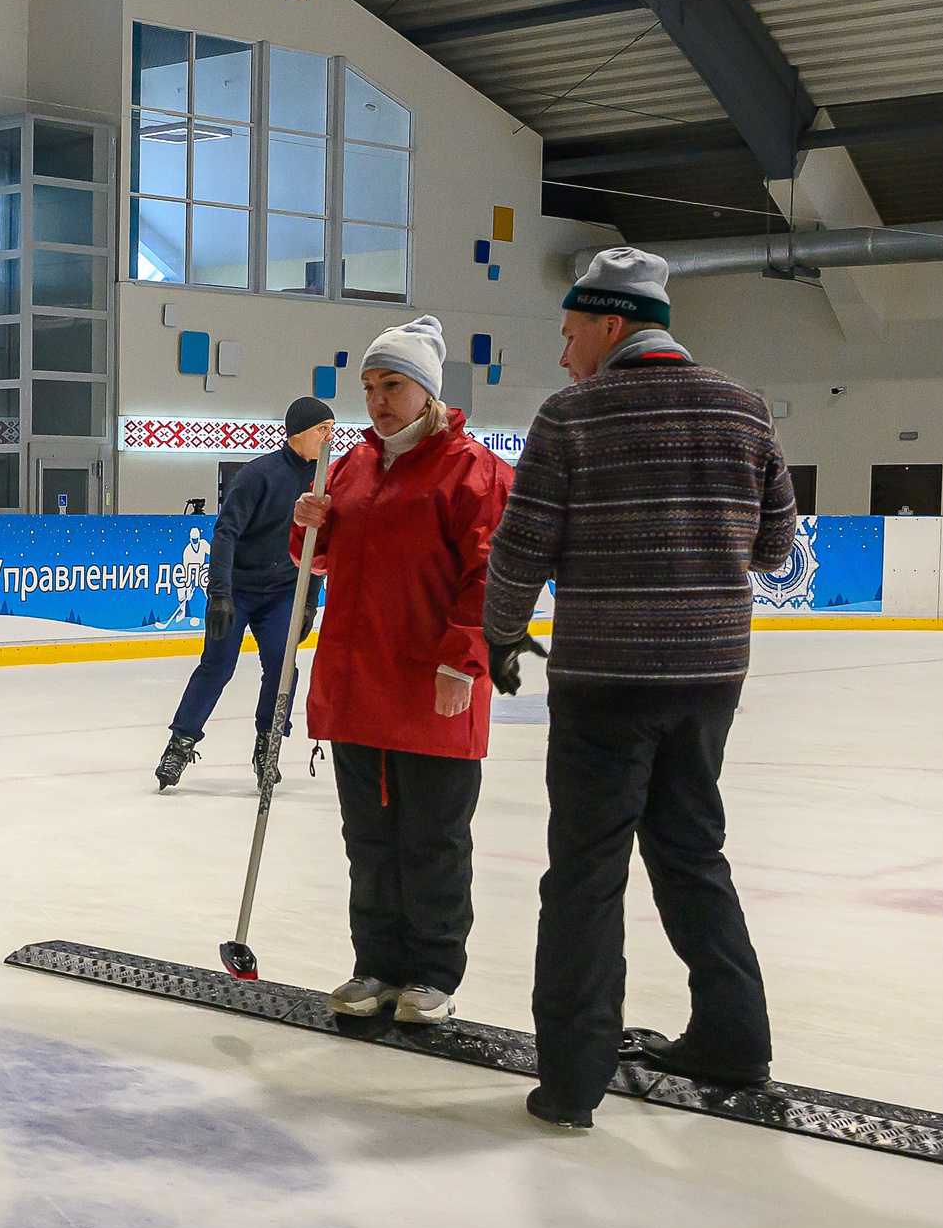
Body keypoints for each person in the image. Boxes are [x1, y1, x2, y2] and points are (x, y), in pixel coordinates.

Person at [485, 247, 796, 1132]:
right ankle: (735, 1039)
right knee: (693, 852)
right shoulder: (745, 409)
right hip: (708, 680)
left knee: (585, 874)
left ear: (610, 323)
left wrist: (502, 633)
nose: (563, 353)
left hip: (606, 683)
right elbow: (775, 550)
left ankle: (574, 1079)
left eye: (569, 331)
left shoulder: (572, 416)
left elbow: (519, 554)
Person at [289, 316, 512, 1028]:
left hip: (430, 688)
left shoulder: (474, 470)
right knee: (370, 841)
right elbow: (321, 561)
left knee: (432, 841)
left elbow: (492, 576)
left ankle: (433, 970)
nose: (377, 400)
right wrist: (308, 523)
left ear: (426, 390)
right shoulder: (352, 465)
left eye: (391, 385)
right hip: (358, 688)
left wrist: (462, 659)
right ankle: (376, 963)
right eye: (369, 387)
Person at [156, 396, 330, 793]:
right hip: (238, 589)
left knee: (283, 668)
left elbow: (317, 545)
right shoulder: (258, 475)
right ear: (299, 433)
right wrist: (220, 594)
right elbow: (225, 533)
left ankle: (268, 747)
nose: (329, 437)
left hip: (283, 592)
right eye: (322, 429)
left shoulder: (323, 482)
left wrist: (307, 601)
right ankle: (180, 743)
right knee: (217, 666)